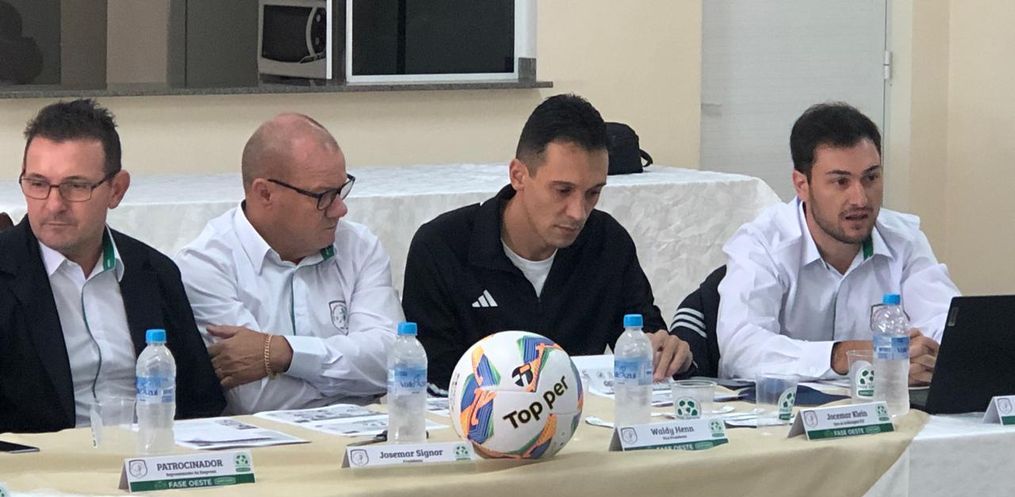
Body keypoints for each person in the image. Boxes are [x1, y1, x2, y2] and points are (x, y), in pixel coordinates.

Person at [402, 94, 692, 393]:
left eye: (593, 193)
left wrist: (669, 355)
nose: (578, 212)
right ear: (518, 175)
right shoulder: (442, 248)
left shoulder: (607, 242)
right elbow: (434, 382)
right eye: (563, 190)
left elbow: (644, 339)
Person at [0, 99, 225, 433]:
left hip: (148, 455)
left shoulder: (155, 273)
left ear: (116, 190)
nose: (54, 204)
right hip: (38, 461)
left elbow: (201, 402)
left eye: (76, 186)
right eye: (37, 184)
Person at [717, 102, 960, 383]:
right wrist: (849, 355)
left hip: (882, 403)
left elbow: (946, 324)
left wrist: (926, 355)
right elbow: (741, 349)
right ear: (801, 185)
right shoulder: (761, 244)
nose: (860, 199)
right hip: (782, 407)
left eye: (871, 178)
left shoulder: (904, 239)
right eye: (841, 182)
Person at [175, 113, 403, 414]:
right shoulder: (205, 265)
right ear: (265, 193)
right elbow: (256, 398)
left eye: (342, 189)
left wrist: (283, 353)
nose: (340, 209)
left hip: (363, 436)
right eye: (323, 195)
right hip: (261, 442)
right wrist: (352, 382)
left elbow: (395, 363)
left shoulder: (359, 246)